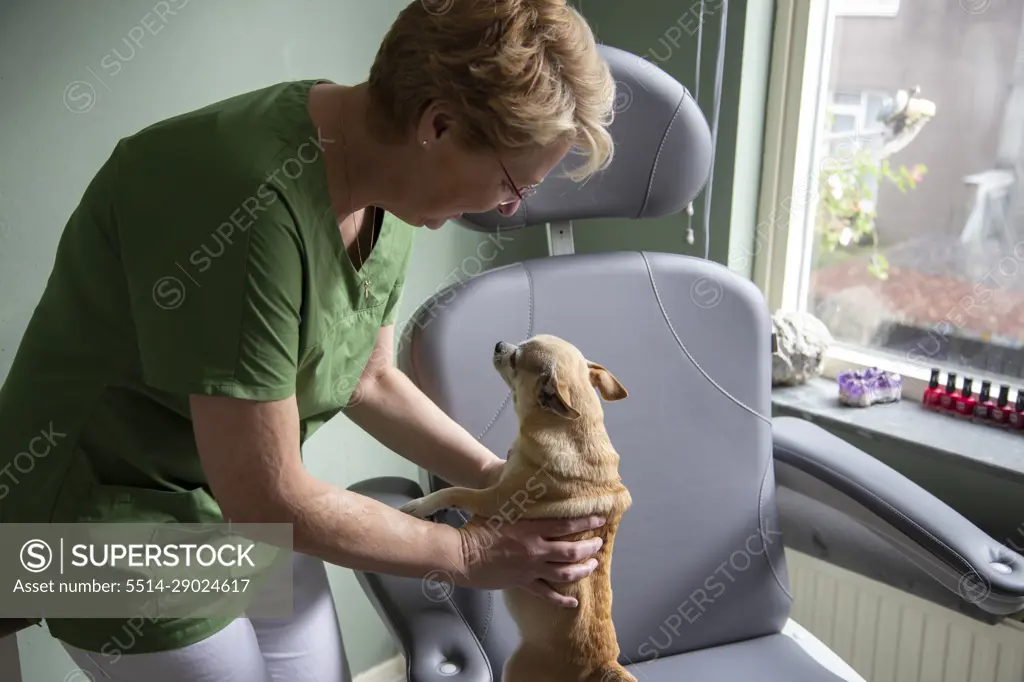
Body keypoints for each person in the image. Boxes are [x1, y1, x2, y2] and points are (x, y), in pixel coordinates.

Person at [0, 0, 616, 680]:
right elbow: (266, 498)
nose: (509, 209)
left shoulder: (387, 182)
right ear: (438, 125)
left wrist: (504, 484)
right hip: (88, 519)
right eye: (510, 183)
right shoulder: (243, 204)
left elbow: (368, 377)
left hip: (226, 495)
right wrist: (469, 554)